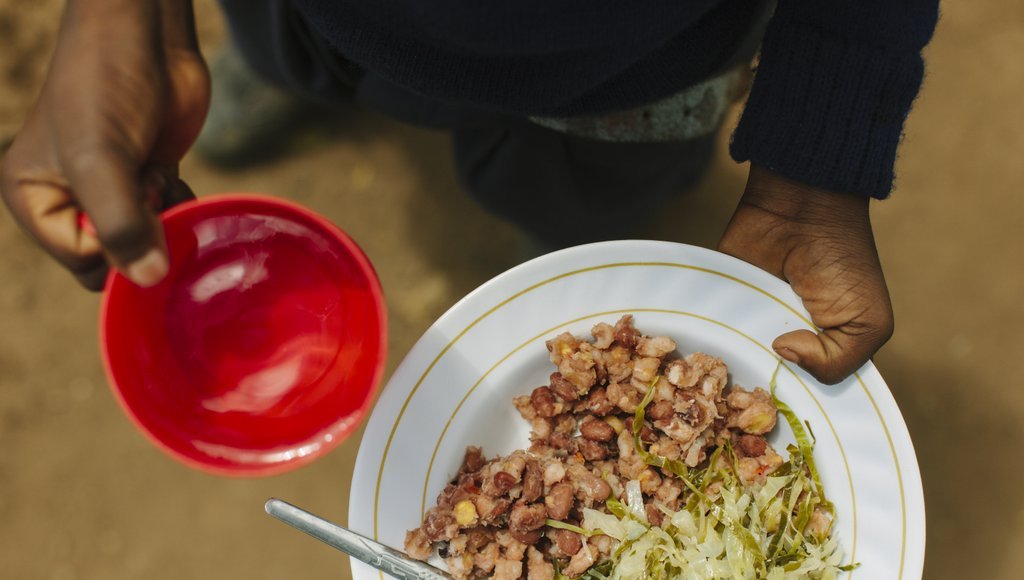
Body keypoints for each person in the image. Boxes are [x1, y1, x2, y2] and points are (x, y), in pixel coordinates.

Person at [0, 0, 939, 385]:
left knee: (572, 206)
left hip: (628, 76)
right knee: (293, 53)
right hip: (324, 14)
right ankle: (292, 74)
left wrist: (818, 161)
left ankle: (557, 234)